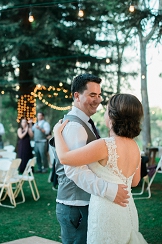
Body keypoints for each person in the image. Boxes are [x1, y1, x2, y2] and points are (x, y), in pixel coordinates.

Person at [53, 93, 147, 243]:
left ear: (112, 116)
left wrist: (57, 133)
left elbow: (65, 158)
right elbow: (134, 182)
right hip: (127, 209)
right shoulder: (135, 147)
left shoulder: (105, 145)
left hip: (106, 211)